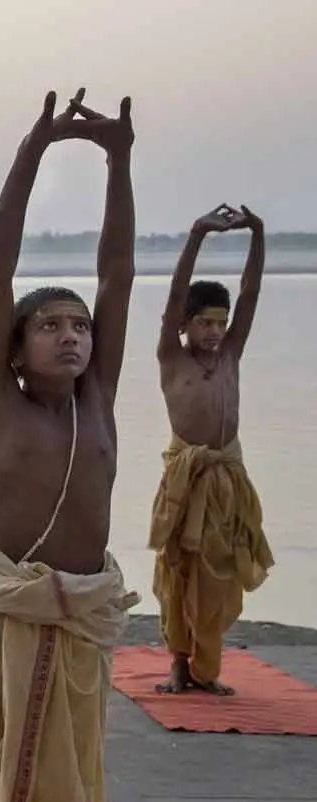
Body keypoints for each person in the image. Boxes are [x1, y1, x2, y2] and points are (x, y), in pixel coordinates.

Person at [0, 90, 142, 802]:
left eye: (79, 326)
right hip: (15, 620)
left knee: (73, 776)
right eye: (49, 326)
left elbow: (118, 273)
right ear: (16, 346)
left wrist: (118, 161)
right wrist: (32, 153)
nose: (71, 336)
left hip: (84, 617)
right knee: (4, 775)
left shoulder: (96, 403)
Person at [149, 204, 274, 696]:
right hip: (187, 477)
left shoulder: (230, 356)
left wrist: (258, 234)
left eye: (220, 324)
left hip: (226, 477)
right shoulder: (171, 356)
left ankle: (207, 668)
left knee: (220, 574)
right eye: (204, 323)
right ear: (185, 323)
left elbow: (251, 294)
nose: (215, 332)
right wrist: (198, 235)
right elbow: (176, 293)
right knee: (181, 570)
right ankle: (179, 665)